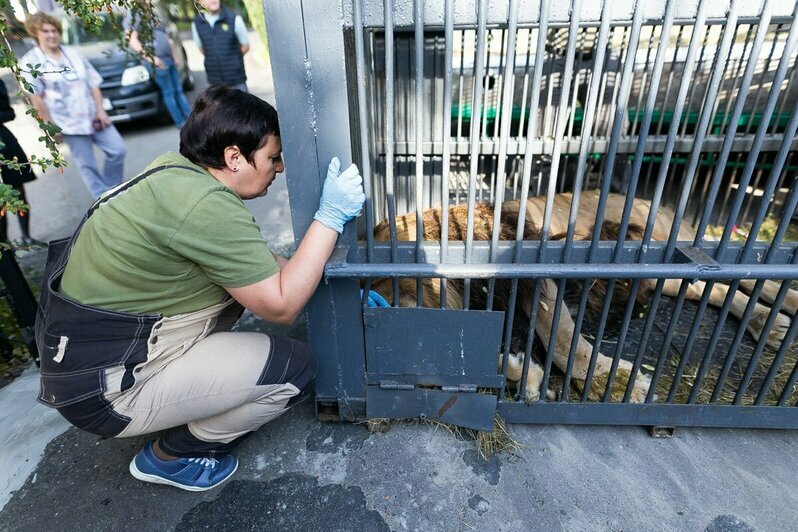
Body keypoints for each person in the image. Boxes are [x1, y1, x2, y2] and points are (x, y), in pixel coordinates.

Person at [34, 86, 365, 492]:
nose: (279, 169)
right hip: (107, 390)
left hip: (83, 363)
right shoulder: (204, 207)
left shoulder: (173, 174)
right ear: (234, 157)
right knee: (292, 369)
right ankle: (171, 455)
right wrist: (329, 219)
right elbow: (281, 305)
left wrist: (351, 282)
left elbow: (267, 270)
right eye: (273, 158)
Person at [21, 12, 126, 200]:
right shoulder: (31, 62)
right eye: (45, 31)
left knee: (117, 150)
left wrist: (101, 111)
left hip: (93, 116)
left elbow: (93, 83)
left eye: (54, 30)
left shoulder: (72, 53)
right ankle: (104, 200)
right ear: (35, 33)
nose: (52, 35)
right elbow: (36, 98)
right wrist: (49, 126)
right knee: (88, 165)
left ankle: (113, 188)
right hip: (67, 123)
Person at [125, 9, 192, 127]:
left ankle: (190, 118)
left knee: (178, 90)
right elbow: (131, 39)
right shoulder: (133, 15)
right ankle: (180, 122)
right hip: (157, 61)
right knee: (169, 92)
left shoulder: (152, 12)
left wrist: (174, 54)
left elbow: (165, 36)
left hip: (169, 58)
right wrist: (151, 58)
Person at [0, 79, 38, 244]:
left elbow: (9, 113)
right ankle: (5, 244)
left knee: (17, 190)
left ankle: (27, 236)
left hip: (3, 140)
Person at [191, 0, 249, 91]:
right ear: (201, 2)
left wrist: (234, 60)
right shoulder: (197, 23)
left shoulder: (234, 18)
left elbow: (245, 46)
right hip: (215, 82)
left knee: (243, 105)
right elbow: (201, 48)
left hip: (237, 79)